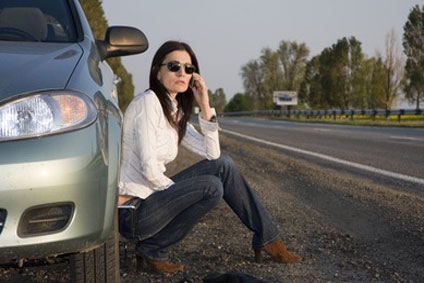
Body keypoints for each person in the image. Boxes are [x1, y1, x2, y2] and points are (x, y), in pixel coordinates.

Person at [118, 40, 302, 273]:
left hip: (152, 201)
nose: (182, 73)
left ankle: (269, 239)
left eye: (189, 68)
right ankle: (154, 248)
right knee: (211, 187)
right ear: (157, 71)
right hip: (133, 212)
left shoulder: (173, 110)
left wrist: (204, 103)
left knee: (224, 165)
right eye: (174, 66)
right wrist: (183, 193)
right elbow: (148, 169)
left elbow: (212, 154)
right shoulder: (148, 103)